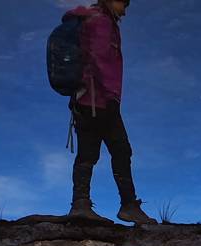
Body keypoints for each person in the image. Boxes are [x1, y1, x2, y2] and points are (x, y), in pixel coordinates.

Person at [66, 0, 156, 225]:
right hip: (100, 99)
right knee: (121, 149)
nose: (125, 9)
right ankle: (128, 206)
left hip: (84, 98)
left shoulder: (91, 19)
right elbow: (99, 59)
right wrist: (109, 96)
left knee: (88, 152)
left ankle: (80, 204)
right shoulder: (102, 21)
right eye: (123, 3)